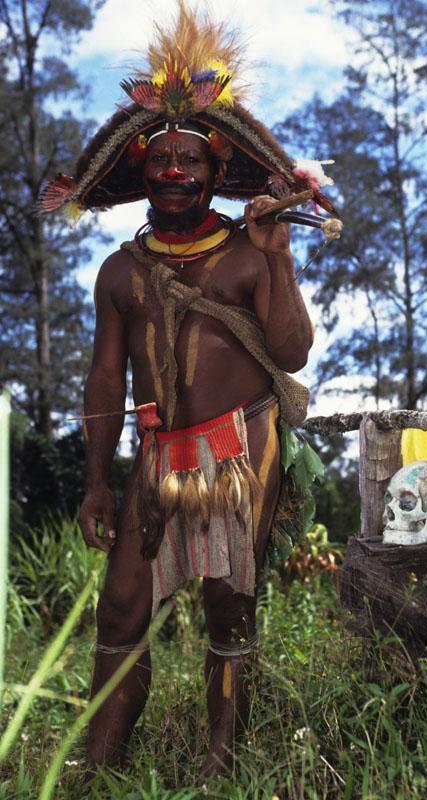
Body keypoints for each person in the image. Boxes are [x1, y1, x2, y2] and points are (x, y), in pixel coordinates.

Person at [40, 1, 335, 778]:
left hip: (243, 450)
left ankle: (220, 764)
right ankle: (98, 764)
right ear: (139, 169)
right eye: (160, 159)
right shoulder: (120, 272)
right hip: (155, 457)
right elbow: (105, 376)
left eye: (192, 161)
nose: (175, 171)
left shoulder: (246, 253)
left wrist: (278, 256)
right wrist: (97, 479)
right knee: (121, 607)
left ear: (215, 172)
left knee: (229, 607)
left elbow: (293, 353)